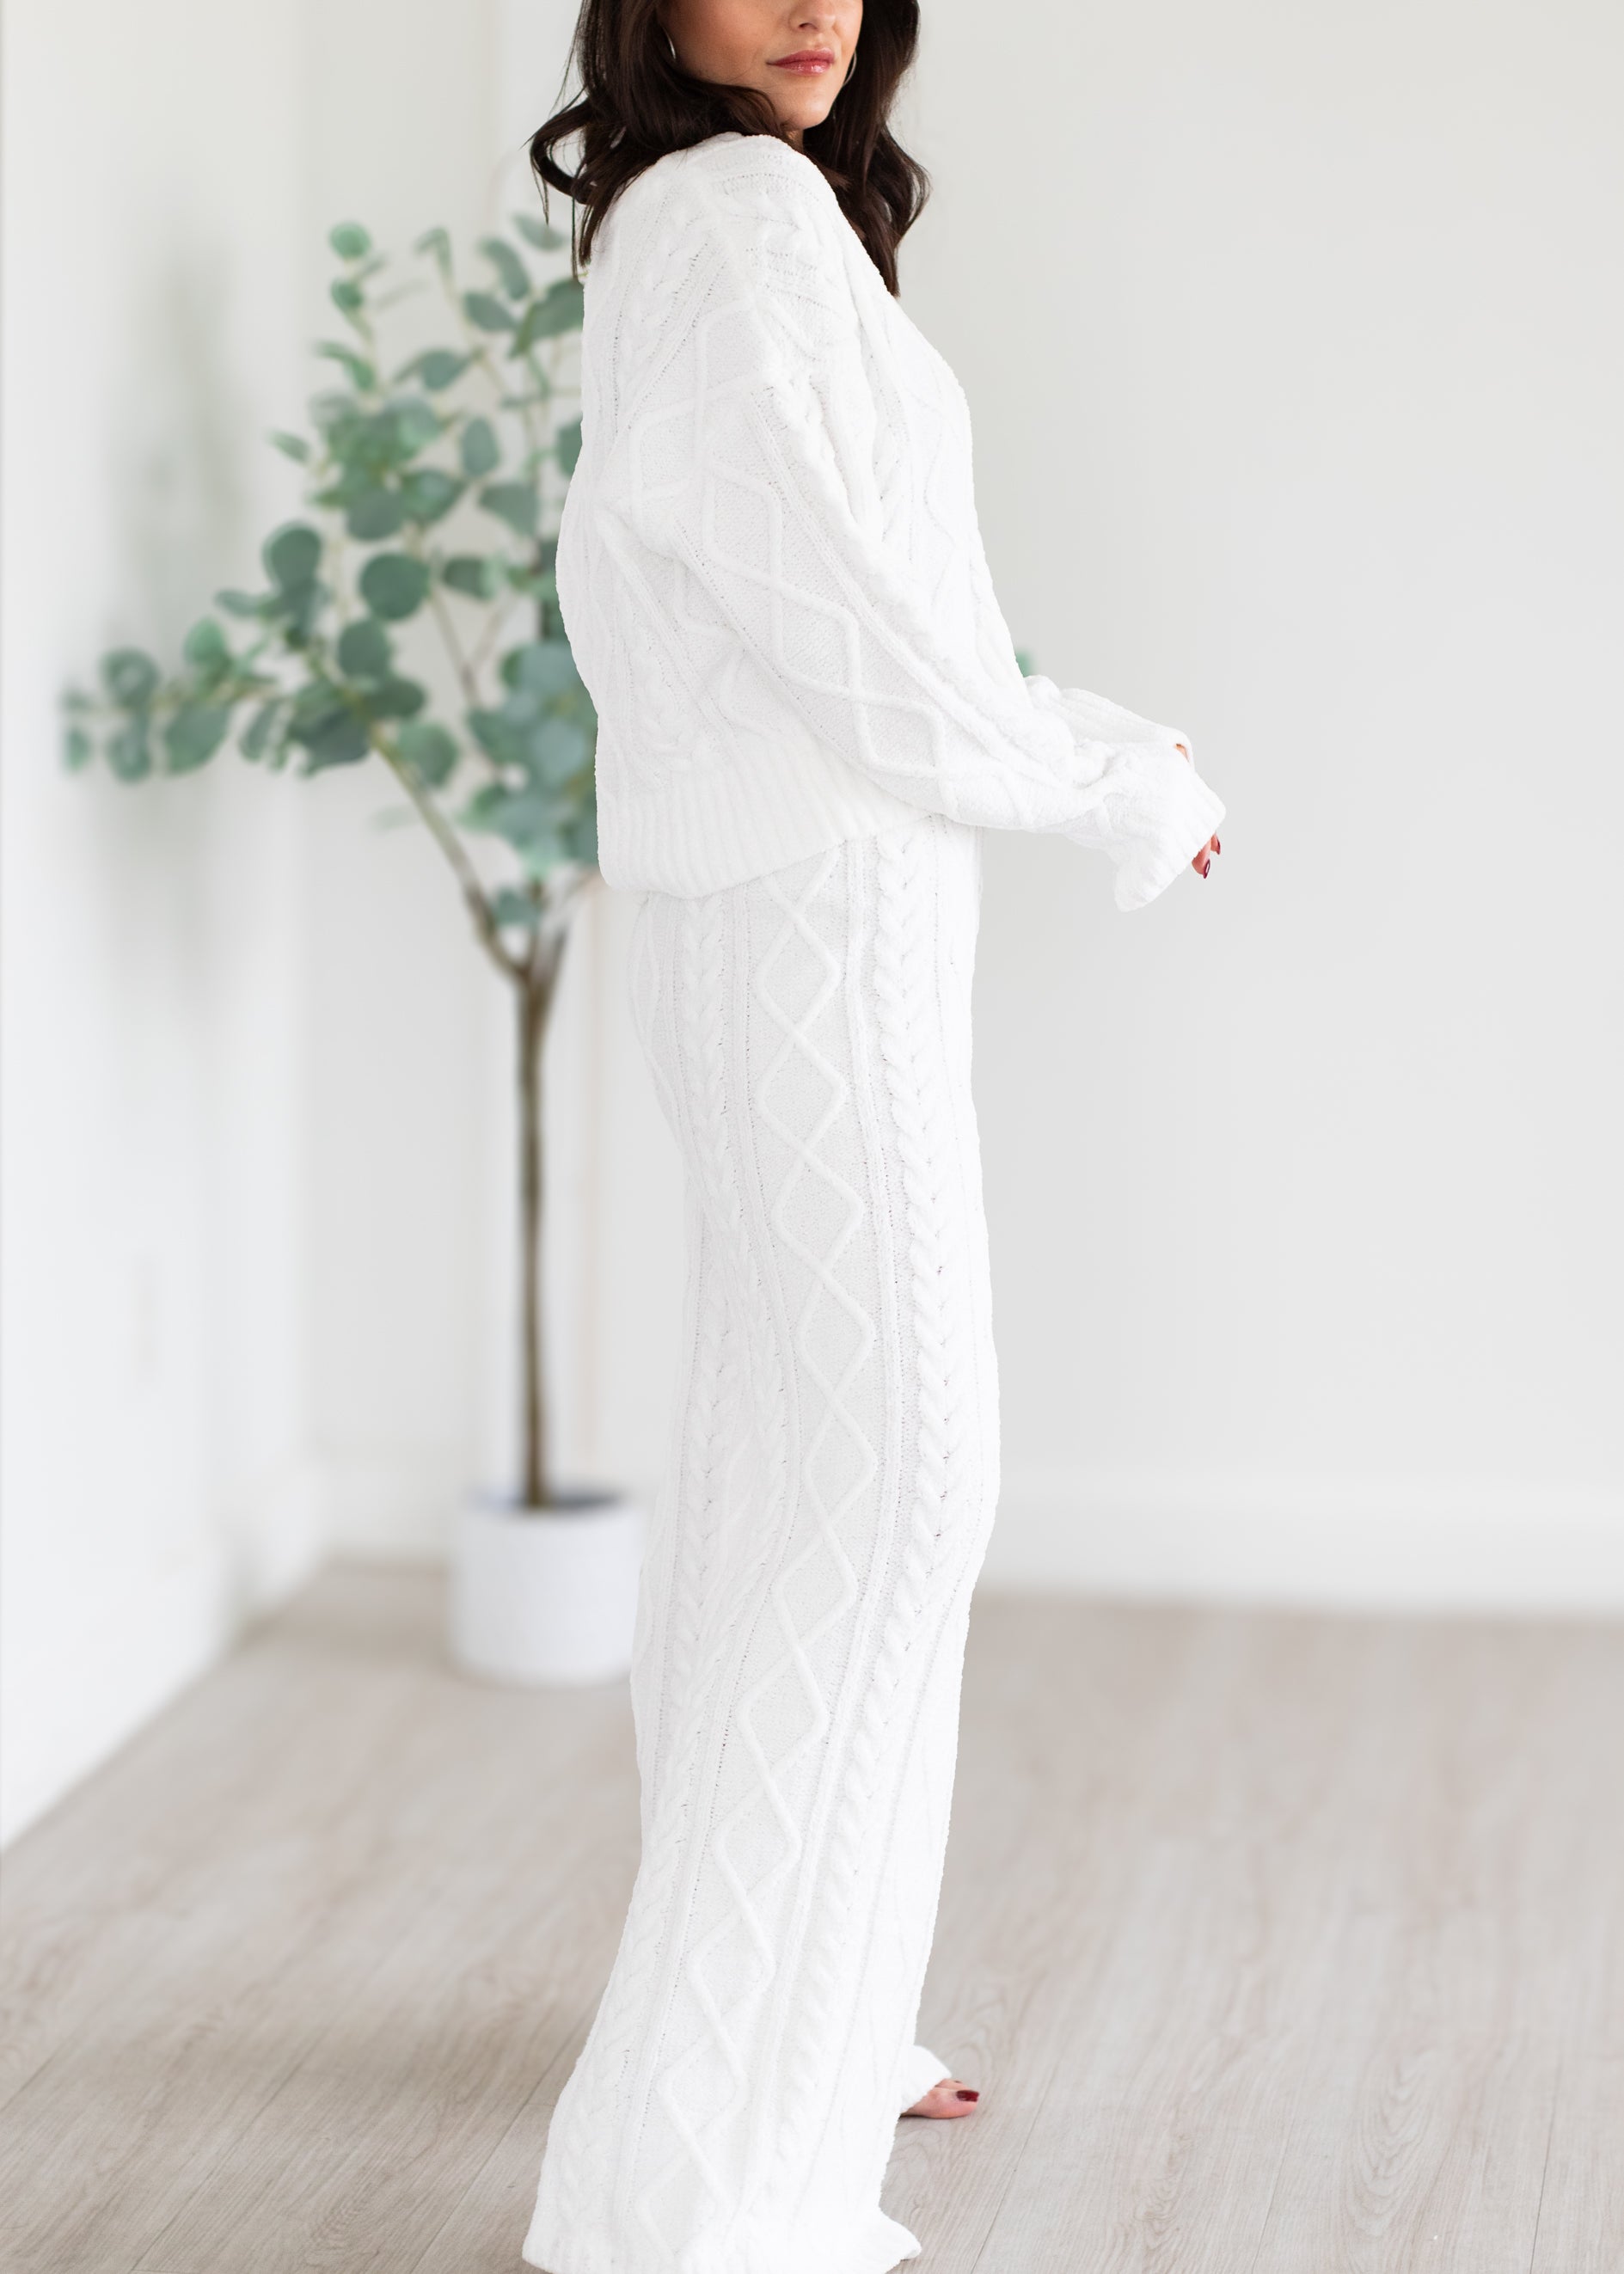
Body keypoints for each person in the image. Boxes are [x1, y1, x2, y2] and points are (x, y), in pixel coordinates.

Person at [520, 1, 1224, 2266]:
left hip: (780, 906)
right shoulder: (733, 225)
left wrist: (1089, 747)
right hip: (817, 914)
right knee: (891, 1478)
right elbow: (871, 640)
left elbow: (894, 627)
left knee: (779, 1473)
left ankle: (794, 2039)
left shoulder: (715, 220)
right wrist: (1116, 781)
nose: (810, 0)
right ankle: (692, 2188)